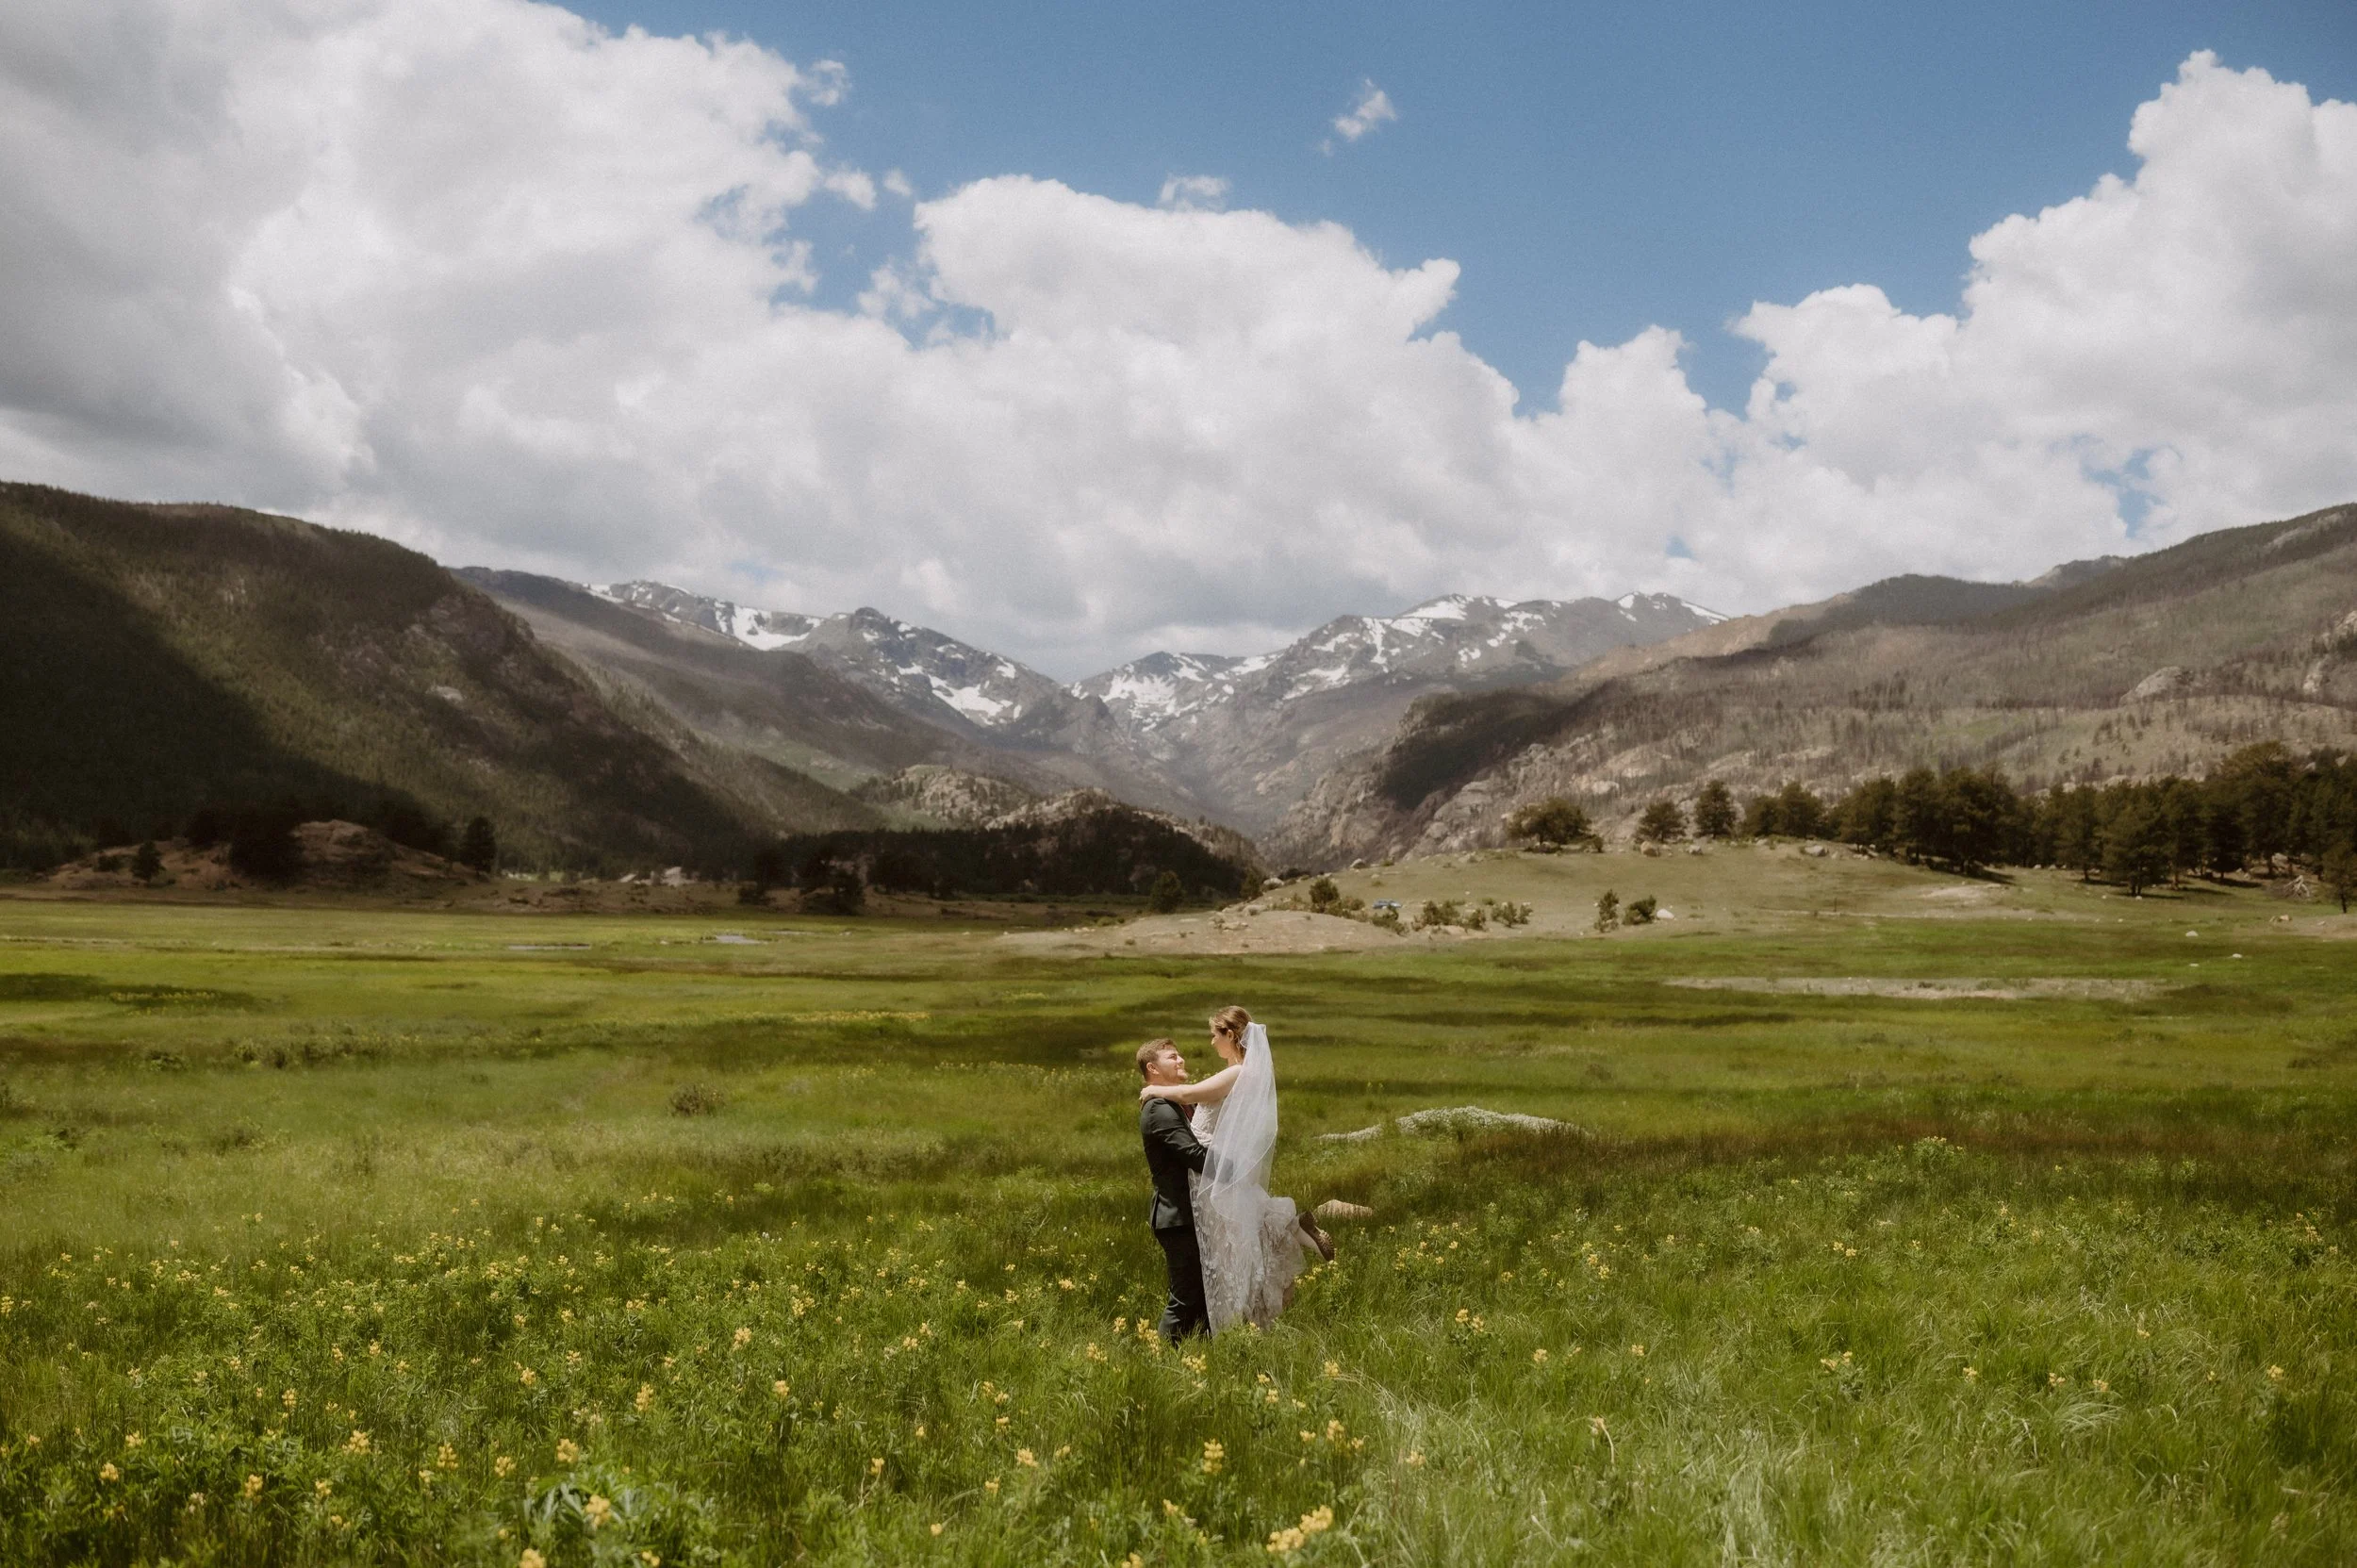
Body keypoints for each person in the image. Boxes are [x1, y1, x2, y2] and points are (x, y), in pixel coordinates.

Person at [1139, 1006, 1334, 1330]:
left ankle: (1289, 1230)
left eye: (1214, 1035)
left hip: (1209, 1169)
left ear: (1230, 1035)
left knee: (1233, 1251)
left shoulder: (1237, 1072)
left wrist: (1154, 1089)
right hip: (1210, 1170)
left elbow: (1189, 1094)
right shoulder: (1245, 1072)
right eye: (1173, 1057)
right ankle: (1292, 1228)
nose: (1211, 1042)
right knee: (1239, 1239)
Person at [1137, 1037, 1211, 1341]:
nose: (1181, 1061)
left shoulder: (1176, 1103)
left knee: (1204, 1296)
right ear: (1153, 1068)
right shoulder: (1158, 1109)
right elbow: (1193, 1156)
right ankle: (1159, 1361)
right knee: (1184, 1298)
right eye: (1172, 1057)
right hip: (1176, 1216)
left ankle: (1201, 1355)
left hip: (1190, 1214)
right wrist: (1237, 1165)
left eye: (1180, 1056)